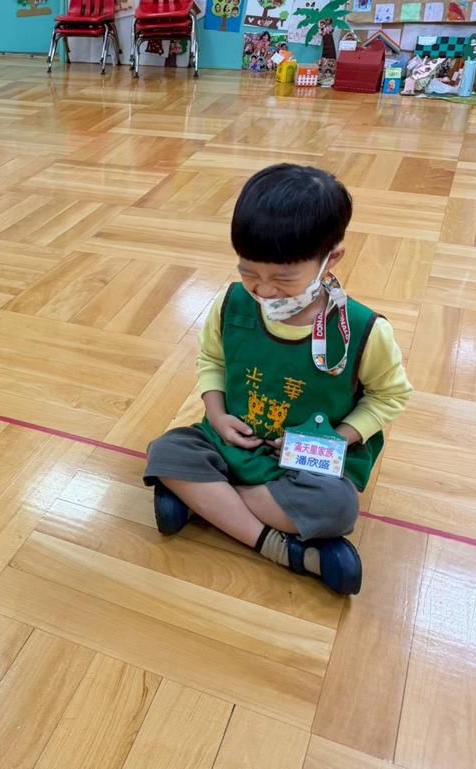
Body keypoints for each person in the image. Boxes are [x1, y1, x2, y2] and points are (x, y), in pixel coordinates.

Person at [144, 164, 412, 595]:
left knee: (337, 508)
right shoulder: (231, 303)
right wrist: (217, 415)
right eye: (249, 272)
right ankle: (281, 547)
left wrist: (336, 439)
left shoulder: (365, 330)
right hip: (231, 442)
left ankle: (205, 503)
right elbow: (212, 359)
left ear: (330, 259)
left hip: (309, 459)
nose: (264, 291)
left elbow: (388, 398)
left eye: (283, 279)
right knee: (166, 450)